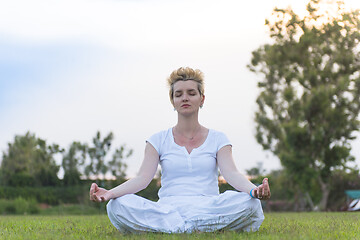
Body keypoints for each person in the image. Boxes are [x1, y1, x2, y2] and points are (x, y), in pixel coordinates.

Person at [89, 67, 271, 233]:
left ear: (202, 99)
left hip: (209, 207)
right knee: (115, 205)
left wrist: (253, 190)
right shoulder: (157, 140)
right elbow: (142, 179)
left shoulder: (218, 138)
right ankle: (194, 228)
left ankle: (176, 229)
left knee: (251, 204)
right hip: (168, 209)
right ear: (173, 101)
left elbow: (232, 174)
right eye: (179, 94)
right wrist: (111, 193)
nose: (185, 98)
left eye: (191, 93)